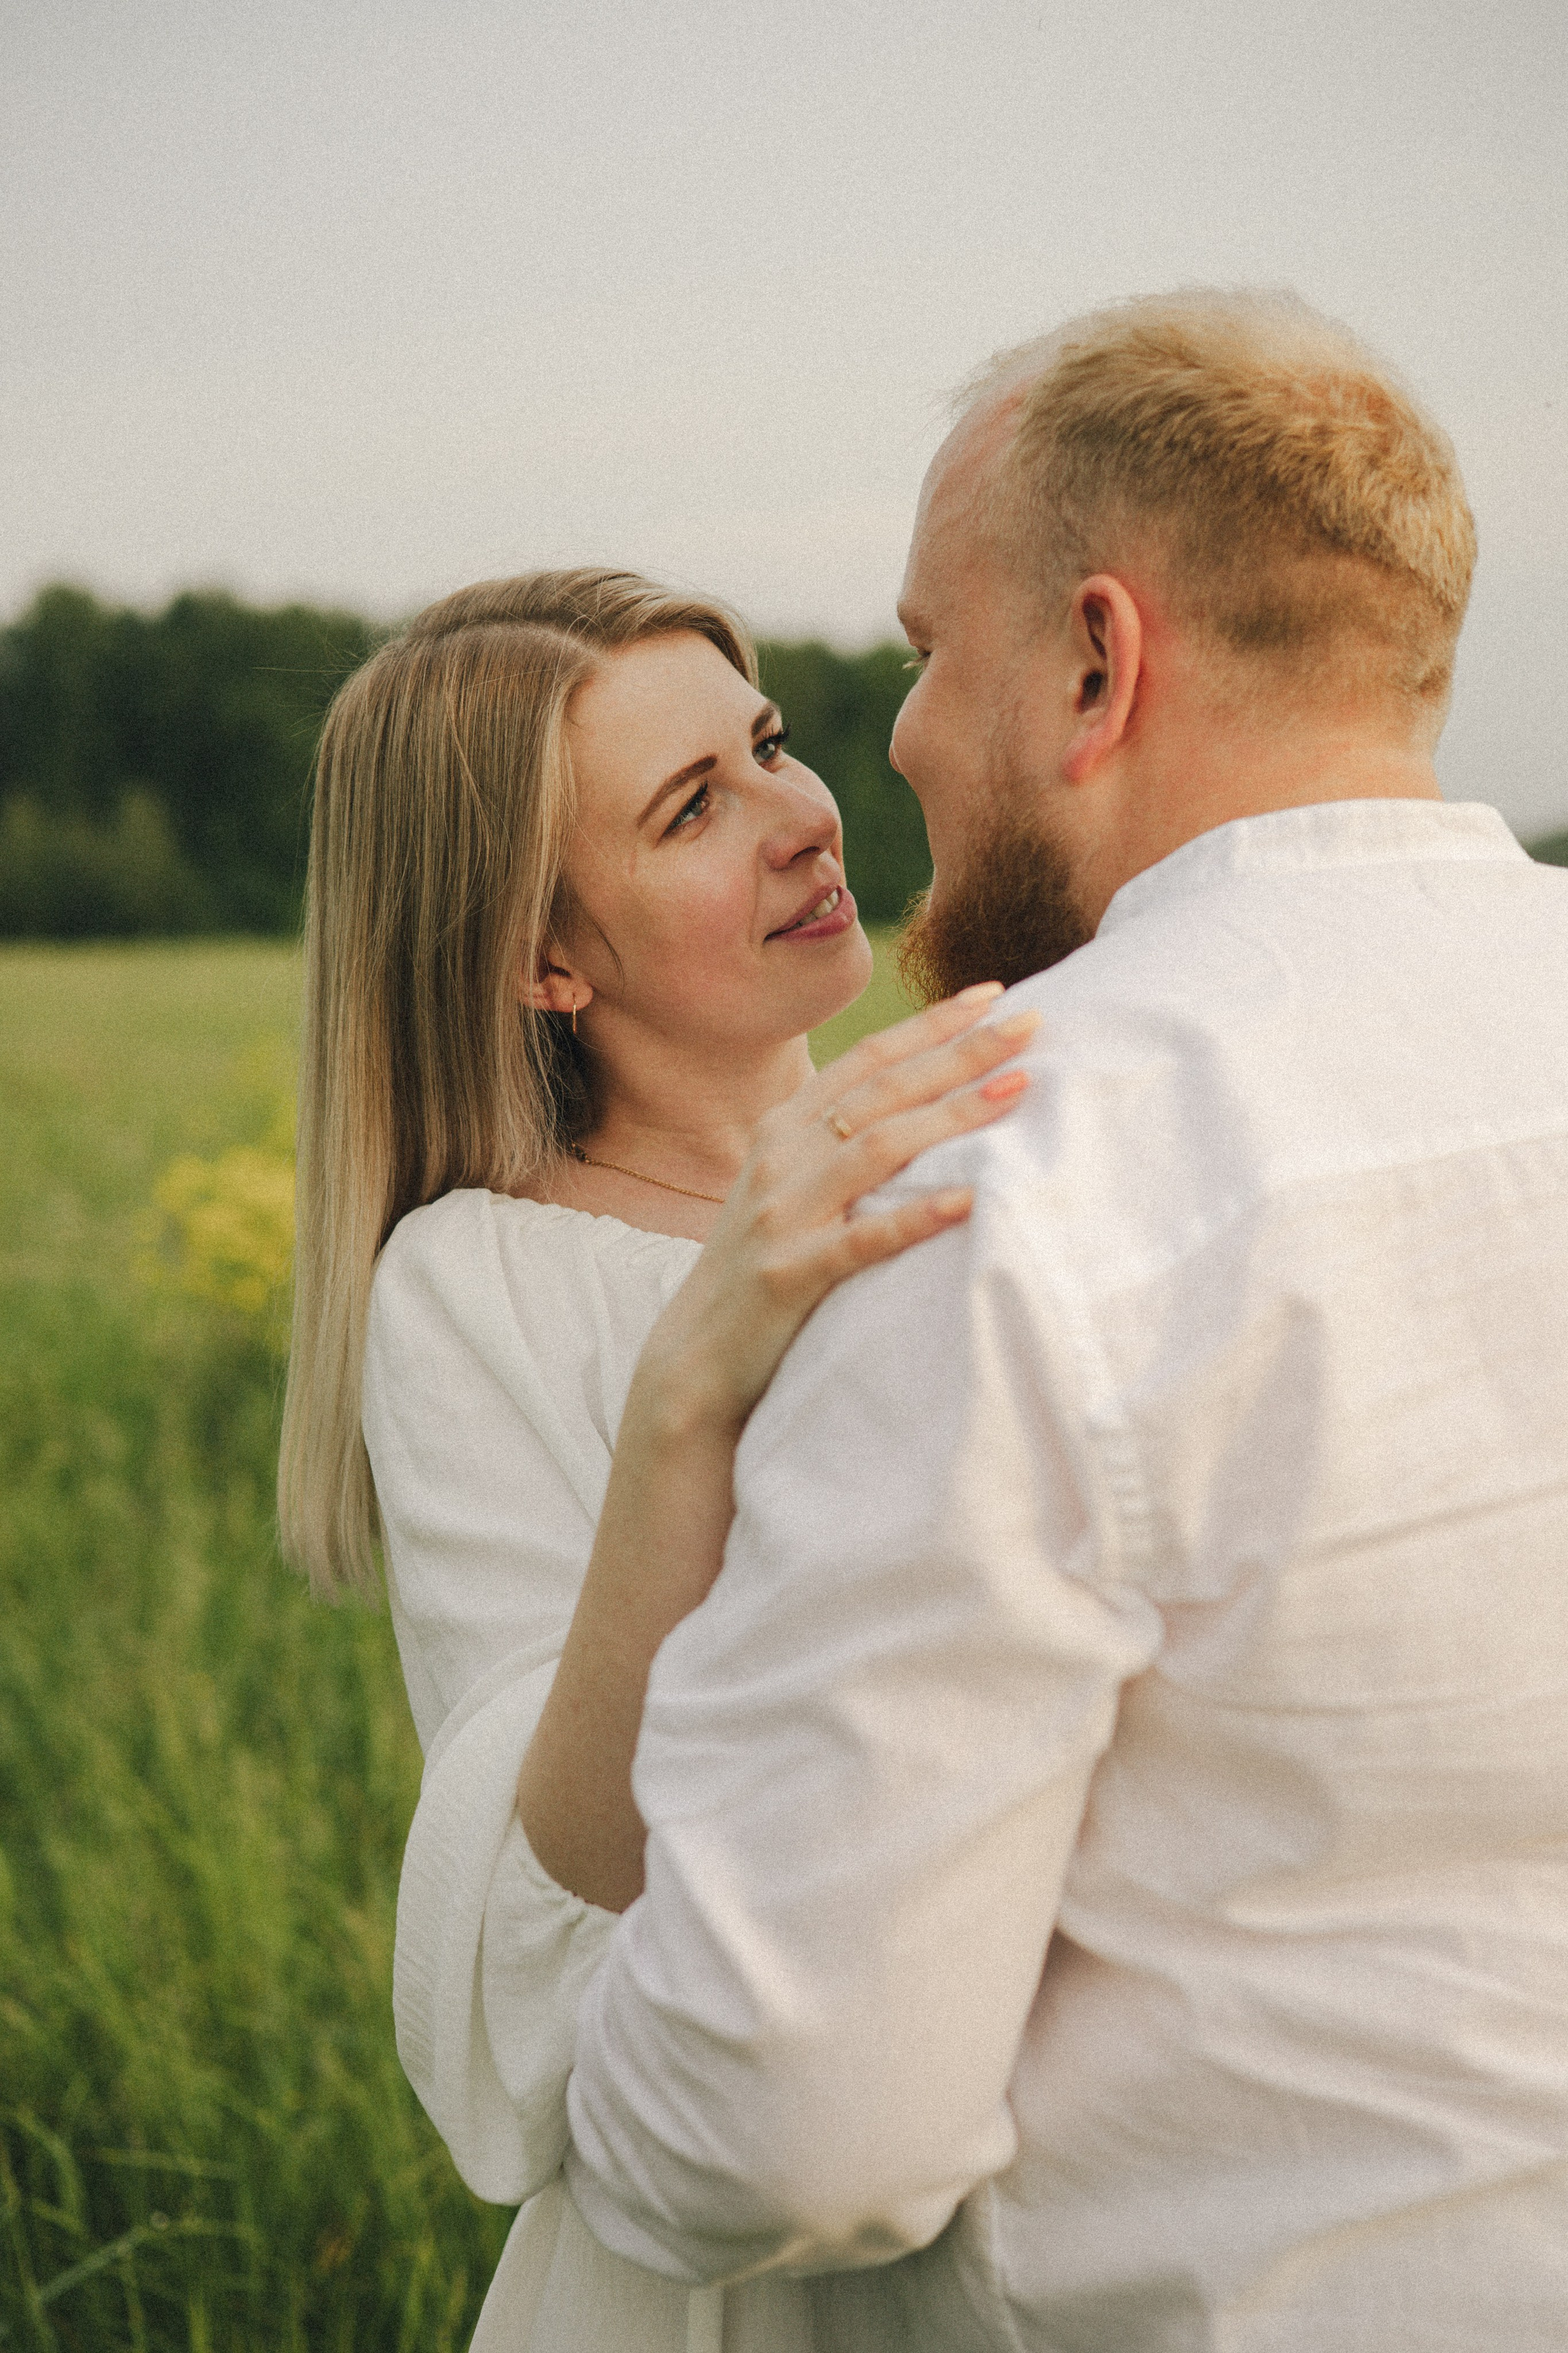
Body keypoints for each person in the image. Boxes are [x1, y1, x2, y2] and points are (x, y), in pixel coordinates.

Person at [542, 292, 1568, 2349]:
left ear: (1096, 661)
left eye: (929, 651)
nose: (891, 744)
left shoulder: (999, 1174)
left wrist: (607, 2108)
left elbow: (774, 2132)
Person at [277, 567, 1040, 2350]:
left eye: (764, 745)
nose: (800, 818)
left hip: (1050, 2179)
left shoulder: (974, 1120)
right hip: (733, 2253)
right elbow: (550, 1923)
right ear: (547, 955)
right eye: (693, 809)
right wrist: (692, 1386)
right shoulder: (480, 1284)